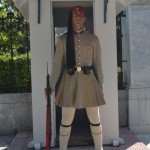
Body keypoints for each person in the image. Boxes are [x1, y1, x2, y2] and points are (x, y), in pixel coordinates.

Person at [45, 6, 106, 150]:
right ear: (71, 19)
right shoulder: (63, 40)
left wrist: (101, 86)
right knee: (66, 120)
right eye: (75, 15)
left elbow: (98, 65)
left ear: (84, 18)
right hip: (70, 82)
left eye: (80, 15)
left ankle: (99, 148)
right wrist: (50, 86)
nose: (78, 18)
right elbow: (56, 65)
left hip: (89, 81)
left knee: (95, 119)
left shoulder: (93, 39)